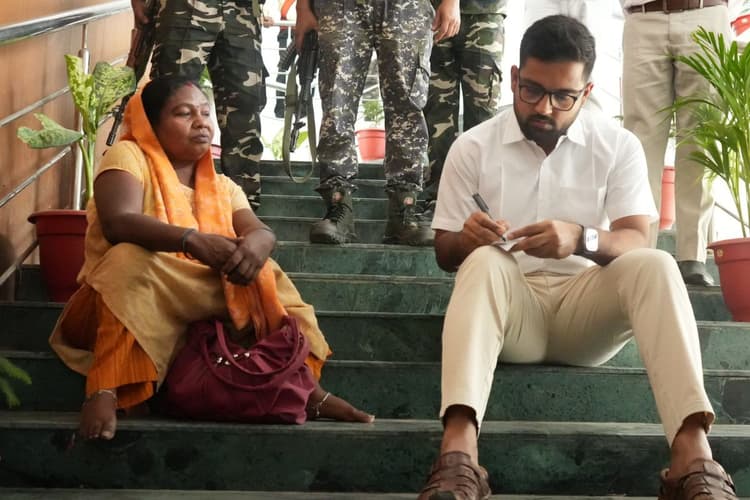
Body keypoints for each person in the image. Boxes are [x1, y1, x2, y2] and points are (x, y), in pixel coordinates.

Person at [419, 15, 737, 500]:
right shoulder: (473, 147)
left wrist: (581, 239)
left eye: (563, 96)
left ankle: (693, 459)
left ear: (586, 93)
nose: (544, 107)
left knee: (656, 264)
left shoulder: (618, 145)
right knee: (483, 261)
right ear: (513, 78)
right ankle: (458, 457)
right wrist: (467, 240)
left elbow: (638, 239)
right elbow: (445, 252)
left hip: (588, 315)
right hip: (512, 316)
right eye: (532, 90)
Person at [49, 78, 374, 441]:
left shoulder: (223, 186)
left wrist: (258, 244)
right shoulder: (129, 156)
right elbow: (118, 222)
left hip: (197, 316)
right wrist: (192, 241)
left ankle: (306, 389)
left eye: (205, 113)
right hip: (120, 301)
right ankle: (105, 388)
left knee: (264, 272)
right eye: (183, 113)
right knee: (128, 258)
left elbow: (259, 230)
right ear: (151, 125)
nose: (201, 122)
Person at [295, 0, 447, 246]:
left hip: (407, 6)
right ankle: (338, 208)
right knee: (336, 104)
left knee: (407, 108)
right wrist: (302, 7)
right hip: (340, 6)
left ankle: (403, 210)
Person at [620, 0, 733, 286]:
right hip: (643, 15)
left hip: (706, 11)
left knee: (701, 138)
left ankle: (693, 255)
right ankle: (640, 252)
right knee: (639, 145)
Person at [132, 0, 267, 210]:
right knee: (172, 102)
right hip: (183, 7)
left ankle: (242, 209)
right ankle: (166, 202)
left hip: (243, 10)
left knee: (245, 109)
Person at [423, 0, 507, 212]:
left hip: (483, 14)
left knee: (482, 115)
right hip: (433, 13)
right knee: (438, 114)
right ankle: (441, 199)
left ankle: (482, 202)